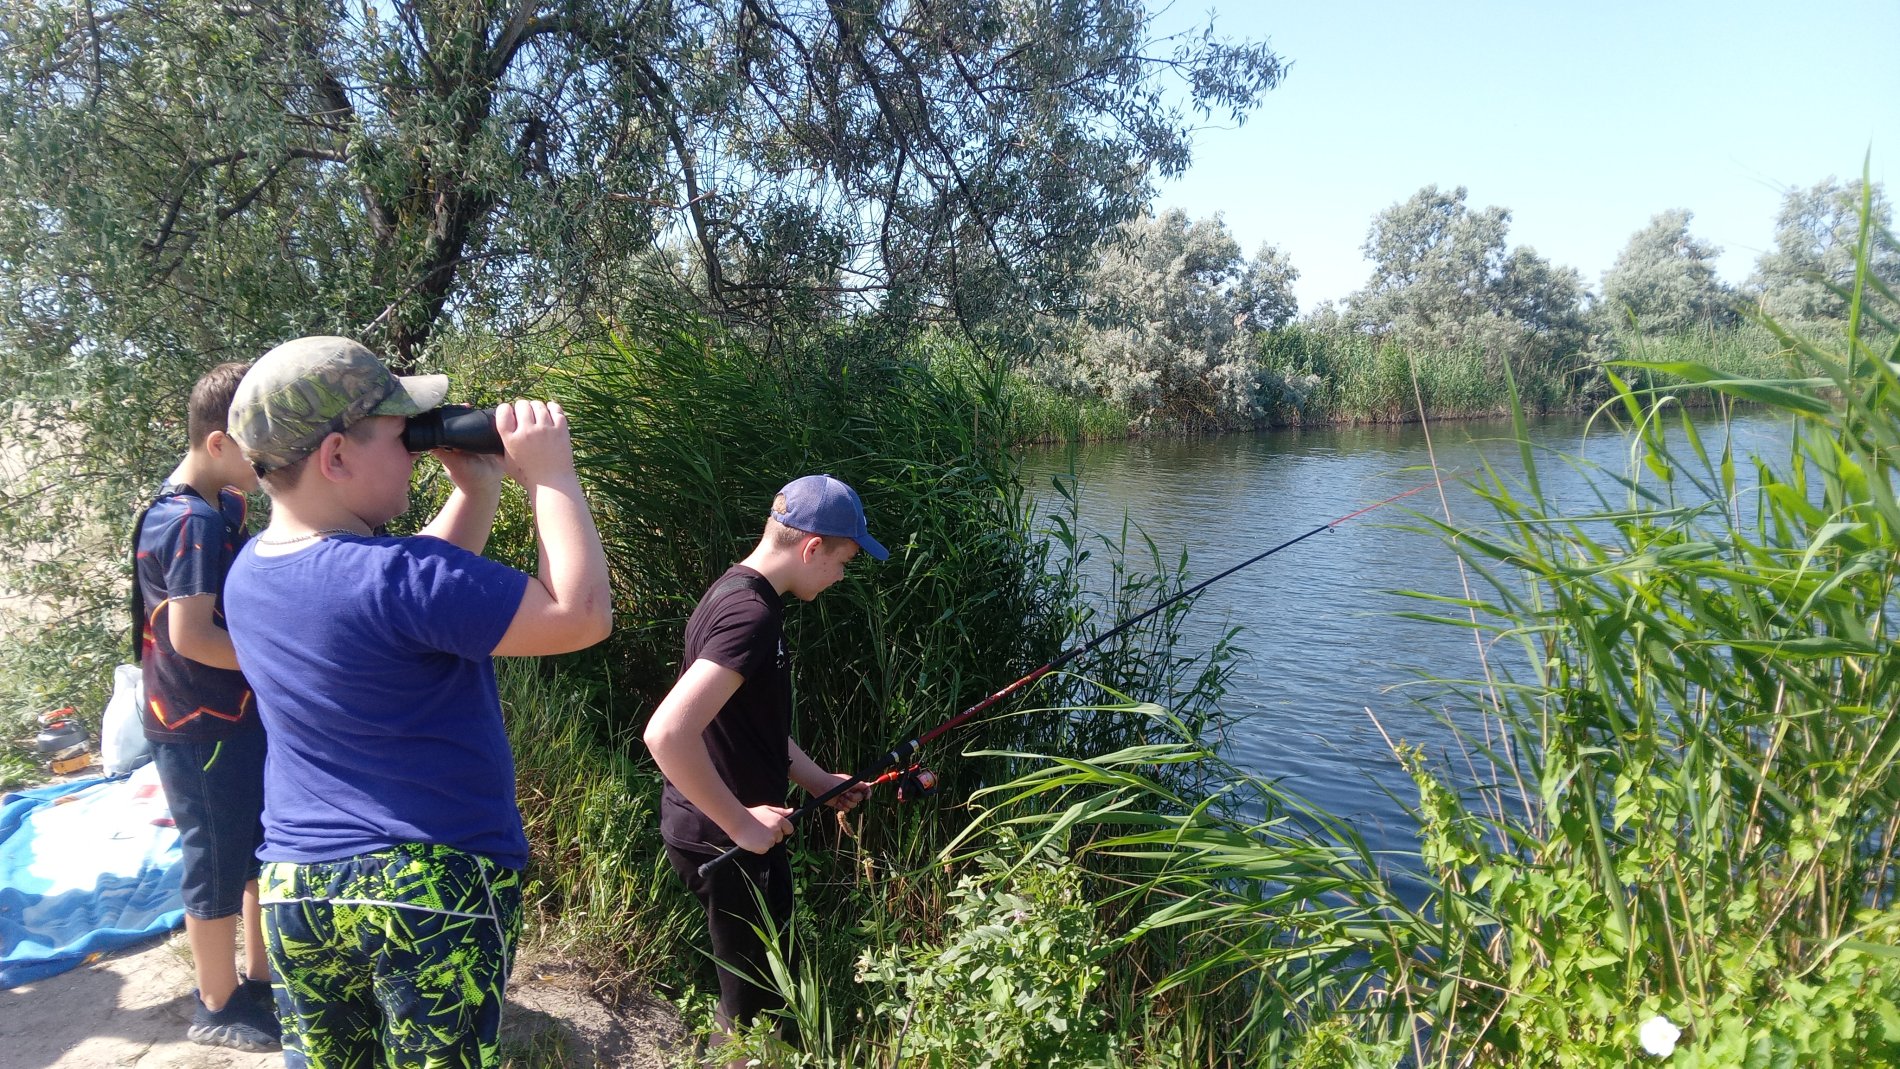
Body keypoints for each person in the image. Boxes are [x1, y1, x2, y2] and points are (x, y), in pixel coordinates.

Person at [220, 336, 611, 1069]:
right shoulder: (400, 576)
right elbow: (580, 614)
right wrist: (551, 477)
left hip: (298, 887)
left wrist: (476, 489)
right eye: (404, 436)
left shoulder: (248, 576)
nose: (415, 450)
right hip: (429, 889)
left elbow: (396, 596)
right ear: (335, 457)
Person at [643, 473, 887, 1052]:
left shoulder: (734, 593)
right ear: (811, 547)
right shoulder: (750, 618)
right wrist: (742, 825)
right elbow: (667, 733)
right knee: (754, 1012)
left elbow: (748, 727)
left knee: (764, 995)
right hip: (723, 840)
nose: (842, 574)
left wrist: (819, 781)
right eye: (843, 559)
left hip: (731, 832)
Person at [132, 361, 280, 1051]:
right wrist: (278, 661)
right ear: (219, 443)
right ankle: (216, 1003)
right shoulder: (189, 521)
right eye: (257, 445)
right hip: (196, 723)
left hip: (230, 711)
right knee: (215, 856)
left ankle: (258, 977)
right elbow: (189, 635)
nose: (268, 459)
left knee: (248, 845)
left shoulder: (217, 503)